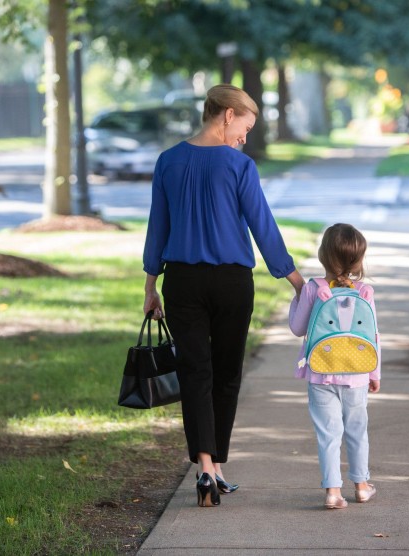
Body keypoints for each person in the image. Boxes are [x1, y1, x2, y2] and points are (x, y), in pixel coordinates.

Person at [142, 84, 305, 508]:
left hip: (181, 283)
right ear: (228, 115)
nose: (244, 138)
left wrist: (150, 284)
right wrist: (299, 283)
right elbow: (262, 226)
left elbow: (157, 227)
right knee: (227, 373)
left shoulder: (168, 161)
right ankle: (214, 466)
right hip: (232, 282)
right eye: (245, 127)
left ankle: (206, 468)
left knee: (195, 373)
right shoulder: (239, 166)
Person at [288, 223, 381, 509]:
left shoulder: (314, 289)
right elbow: (373, 335)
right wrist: (374, 373)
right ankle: (362, 486)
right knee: (357, 430)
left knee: (328, 433)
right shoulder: (365, 291)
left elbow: (297, 327)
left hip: (320, 373)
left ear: (322, 255)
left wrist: (297, 298)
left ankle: (332, 492)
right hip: (357, 373)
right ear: (358, 260)